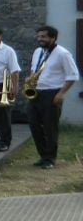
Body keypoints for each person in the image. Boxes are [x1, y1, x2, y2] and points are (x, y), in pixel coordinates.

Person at [26, 26, 80, 170]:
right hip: (36, 92)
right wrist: (30, 79)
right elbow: (35, 69)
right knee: (33, 125)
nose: (40, 39)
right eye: (39, 36)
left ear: (53, 38)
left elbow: (73, 75)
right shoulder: (38, 52)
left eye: (44, 37)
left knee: (50, 127)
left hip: (52, 93)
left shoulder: (63, 54)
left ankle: (50, 158)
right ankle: (43, 155)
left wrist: (61, 93)